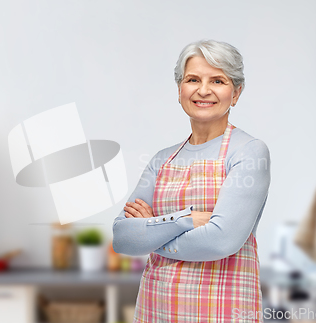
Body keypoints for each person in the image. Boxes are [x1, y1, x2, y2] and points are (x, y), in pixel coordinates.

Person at [112, 39, 271, 323]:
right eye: (193, 79)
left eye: (218, 80)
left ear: (236, 93)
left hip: (222, 311)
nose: (203, 90)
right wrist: (187, 219)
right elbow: (123, 238)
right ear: (180, 90)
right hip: (156, 309)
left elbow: (221, 240)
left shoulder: (248, 151)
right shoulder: (163, 159)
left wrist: (152, 234)